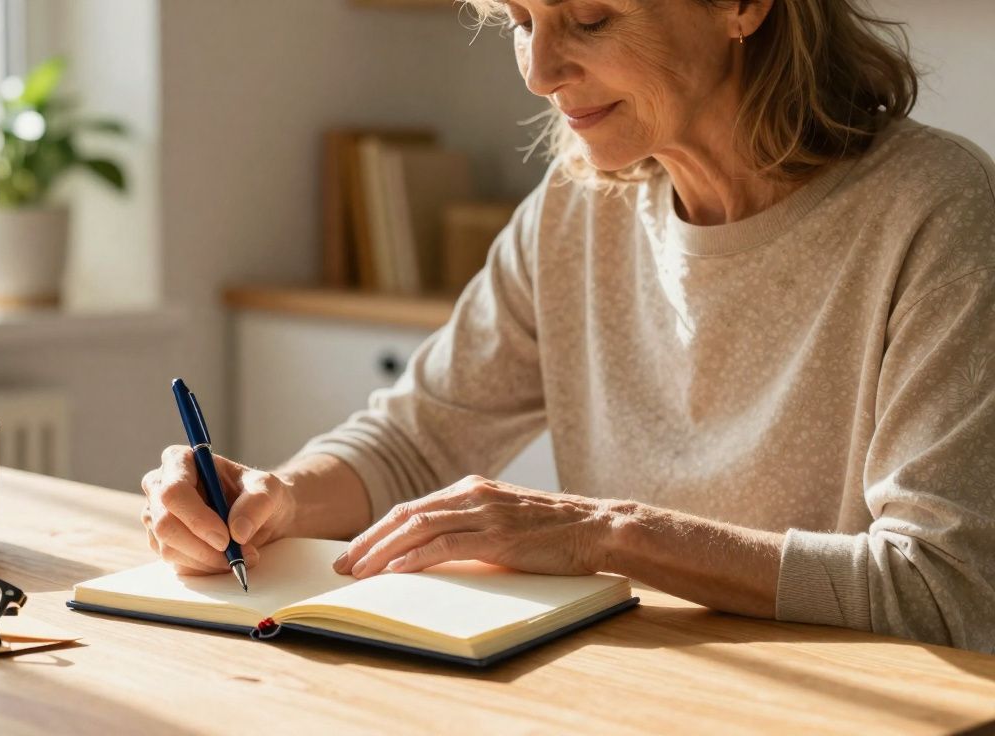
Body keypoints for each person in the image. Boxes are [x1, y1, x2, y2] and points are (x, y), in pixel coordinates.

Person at [142, 0, 995, 652]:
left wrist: (607, 534)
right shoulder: (575, 207)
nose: (539, 71)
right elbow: (414, 442)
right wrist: (276, 500)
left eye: (589, 17)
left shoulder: (939, 213)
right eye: (520, 20)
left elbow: (944, 591)